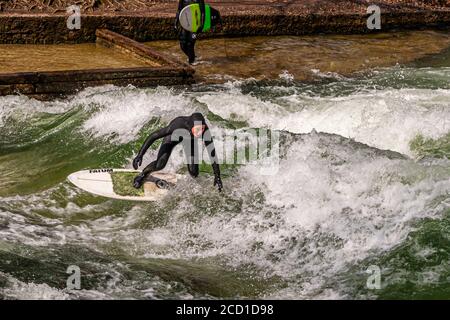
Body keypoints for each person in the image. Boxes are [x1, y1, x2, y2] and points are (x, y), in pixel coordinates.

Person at [132, 112, 223, 192]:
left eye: (202, 129)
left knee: (194, 173)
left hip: (189, 141)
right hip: (172, 138)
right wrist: (140, 155)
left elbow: (212, 152)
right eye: (197, 129)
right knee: (160, 164)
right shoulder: (178, 124)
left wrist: (217, 175)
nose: (200, 133)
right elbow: (154, 136)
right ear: (191, 126)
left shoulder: (204, 130)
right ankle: (143, 174)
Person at [174, 0, 206, 64]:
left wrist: (201, 25)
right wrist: (175, 22)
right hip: (185, 23)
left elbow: (203, 12)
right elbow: (179, 10)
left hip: (195, 25)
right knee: (182, 44)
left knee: (190, 43)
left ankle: (191, 61)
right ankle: (192, 56)